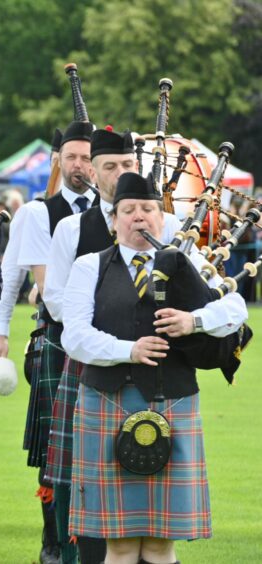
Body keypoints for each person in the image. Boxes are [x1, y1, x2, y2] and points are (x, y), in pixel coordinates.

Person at [61, 172, 247, 564]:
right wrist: (130, 350)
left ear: (162, 218)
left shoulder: (186, 261)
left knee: (162, 543)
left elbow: (235, 309)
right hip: (107, 401)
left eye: (148, 209)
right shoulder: (88, 267)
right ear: (114, 221)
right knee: (121, 544)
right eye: (128, 210)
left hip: (173, 402)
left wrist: (192, 322)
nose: (139, 217)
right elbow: (74, 336)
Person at [0, 120, 96, 564]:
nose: (80, 165)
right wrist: (0, 333)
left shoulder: (115, 213)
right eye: (71, 156)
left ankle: (97, 540)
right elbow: (11, 274)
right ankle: (54, 543)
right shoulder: (38, 213)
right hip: (57, 340)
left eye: (88, 158)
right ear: (57, 160)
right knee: (58, 453)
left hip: (106, 340)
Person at [42, 129, 148, 563]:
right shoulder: (72, 228)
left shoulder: (160, 221)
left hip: (153, 369)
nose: (119, 173)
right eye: (110, 166)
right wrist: (106, 334)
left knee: (151, 476)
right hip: (88, 366)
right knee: (87, 481)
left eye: (127, 165)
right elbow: (54, 298)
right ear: (93, 171)